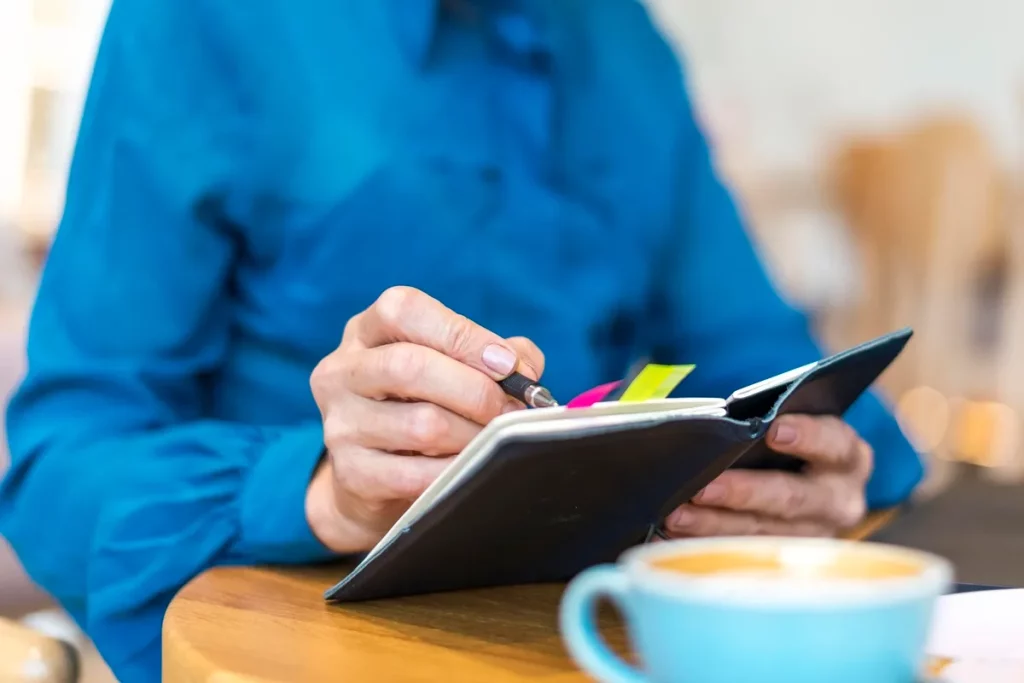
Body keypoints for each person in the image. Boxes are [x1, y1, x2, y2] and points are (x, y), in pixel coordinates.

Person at [0, 0, 922, 680]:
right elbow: (61, 463)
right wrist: (323, 491)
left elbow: (760, 356)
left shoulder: (627, 42)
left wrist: (821, 471)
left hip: (612, 645)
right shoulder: (196, 24)